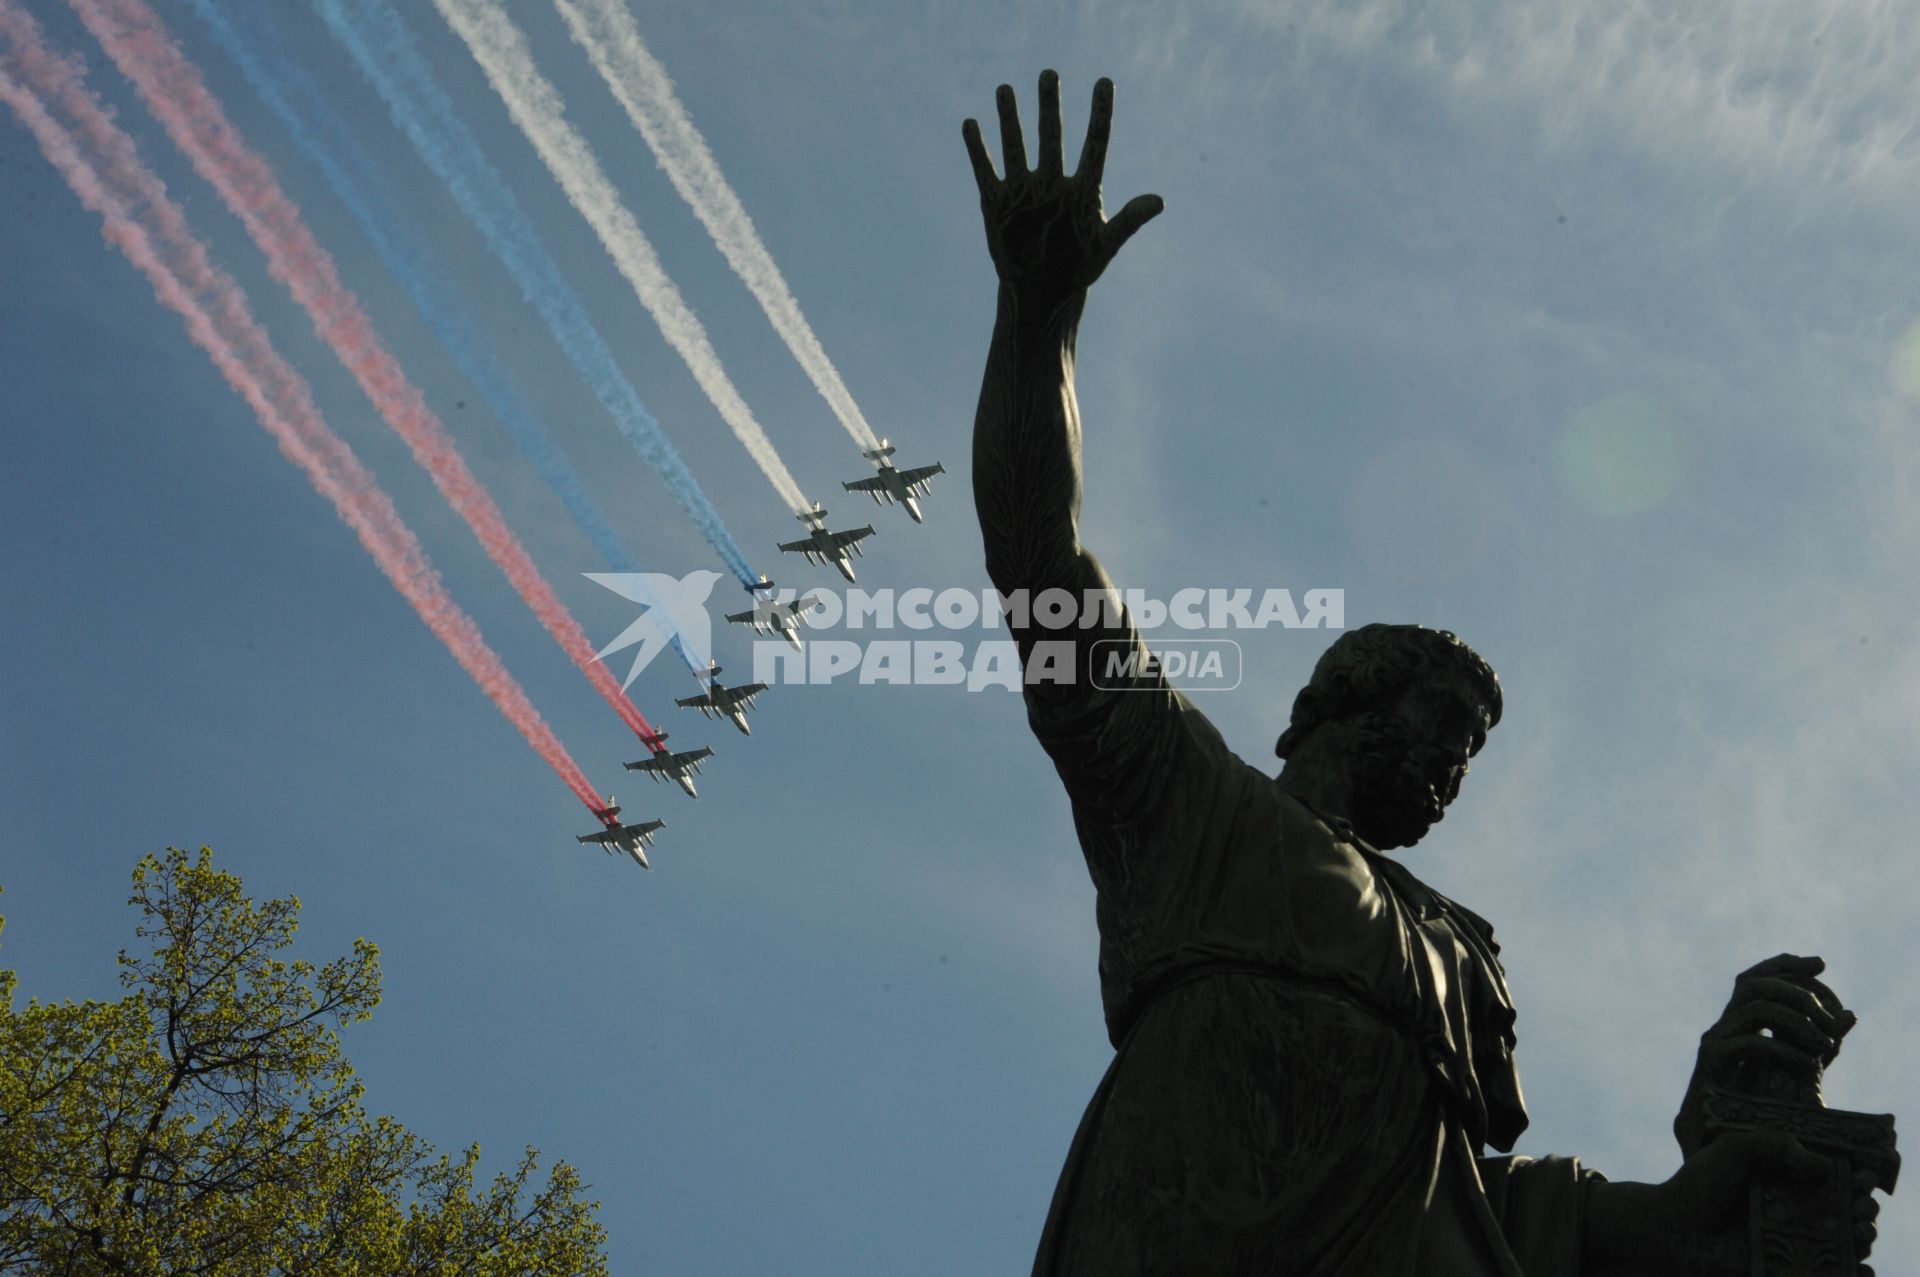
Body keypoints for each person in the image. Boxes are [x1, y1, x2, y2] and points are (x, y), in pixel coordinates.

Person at [963, 70, 1878, 1276]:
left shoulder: (1456, 950)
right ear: (1335, 702)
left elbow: (1474, 1212)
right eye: (1443, 720)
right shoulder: (1194, 808)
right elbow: (1045, 569)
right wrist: (1041, 322)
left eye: (1473, 747)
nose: (1457, 761)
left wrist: (1706, 1160)